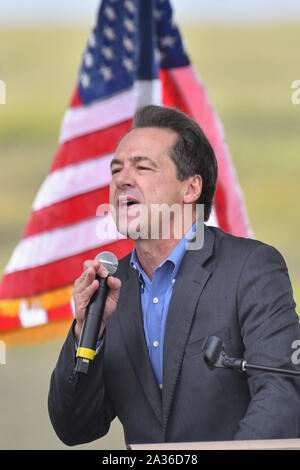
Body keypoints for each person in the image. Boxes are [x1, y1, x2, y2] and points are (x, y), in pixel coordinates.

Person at [48, 105, 300, 447]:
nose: (121, 179)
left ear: (191, 188)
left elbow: (282, 394)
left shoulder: (251, 268)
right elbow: (75, 427)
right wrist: (85, 332)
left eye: (143, 167)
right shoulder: (109, 288)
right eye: (116, 169)